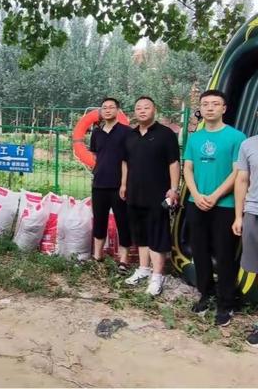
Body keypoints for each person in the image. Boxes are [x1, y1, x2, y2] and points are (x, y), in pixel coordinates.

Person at [184, 89, 246, 326]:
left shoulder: (236, 137)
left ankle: (226, 303)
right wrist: (197, 195)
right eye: (205, 104)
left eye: (215, 104)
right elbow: (188, 168)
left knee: (224, 255)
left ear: (224, 108)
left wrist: (215, 195)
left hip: (225, 205)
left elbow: (238, 173)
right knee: (199, 251)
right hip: (196, 202)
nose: (210, 108)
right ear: (201, 108)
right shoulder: (195, 138)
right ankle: (206, 294)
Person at [122, 96, 180, 296]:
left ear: (154, 110)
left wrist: (174, 188)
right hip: (134, 193)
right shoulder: (130, 135)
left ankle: (157, 275)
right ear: (134, 112)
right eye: (138, 108)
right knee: (140, 234)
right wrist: (123, 184)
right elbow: (125, 163)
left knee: (157, 233)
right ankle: (144, 269)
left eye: (146, 107)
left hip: (158, 194)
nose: (142, 111)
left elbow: (174, 163)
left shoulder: (166, 135)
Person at [89, 97, 132, 273]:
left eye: (111, 107)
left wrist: (124, 184)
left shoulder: (126, 132)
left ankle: (124, 259)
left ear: (118, 110)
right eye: (104, 107)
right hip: (99, 184)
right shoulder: (96, 133)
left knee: (123, 222)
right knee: (99, 220)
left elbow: (127, 160)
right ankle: (97, 256)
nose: (107, 110)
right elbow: (94, 155)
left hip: (118, 186)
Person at [233, 133, 258, 346]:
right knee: (255, 269)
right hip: (253, 213)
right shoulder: (248, 144)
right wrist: (239, 216)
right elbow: (241, 179)